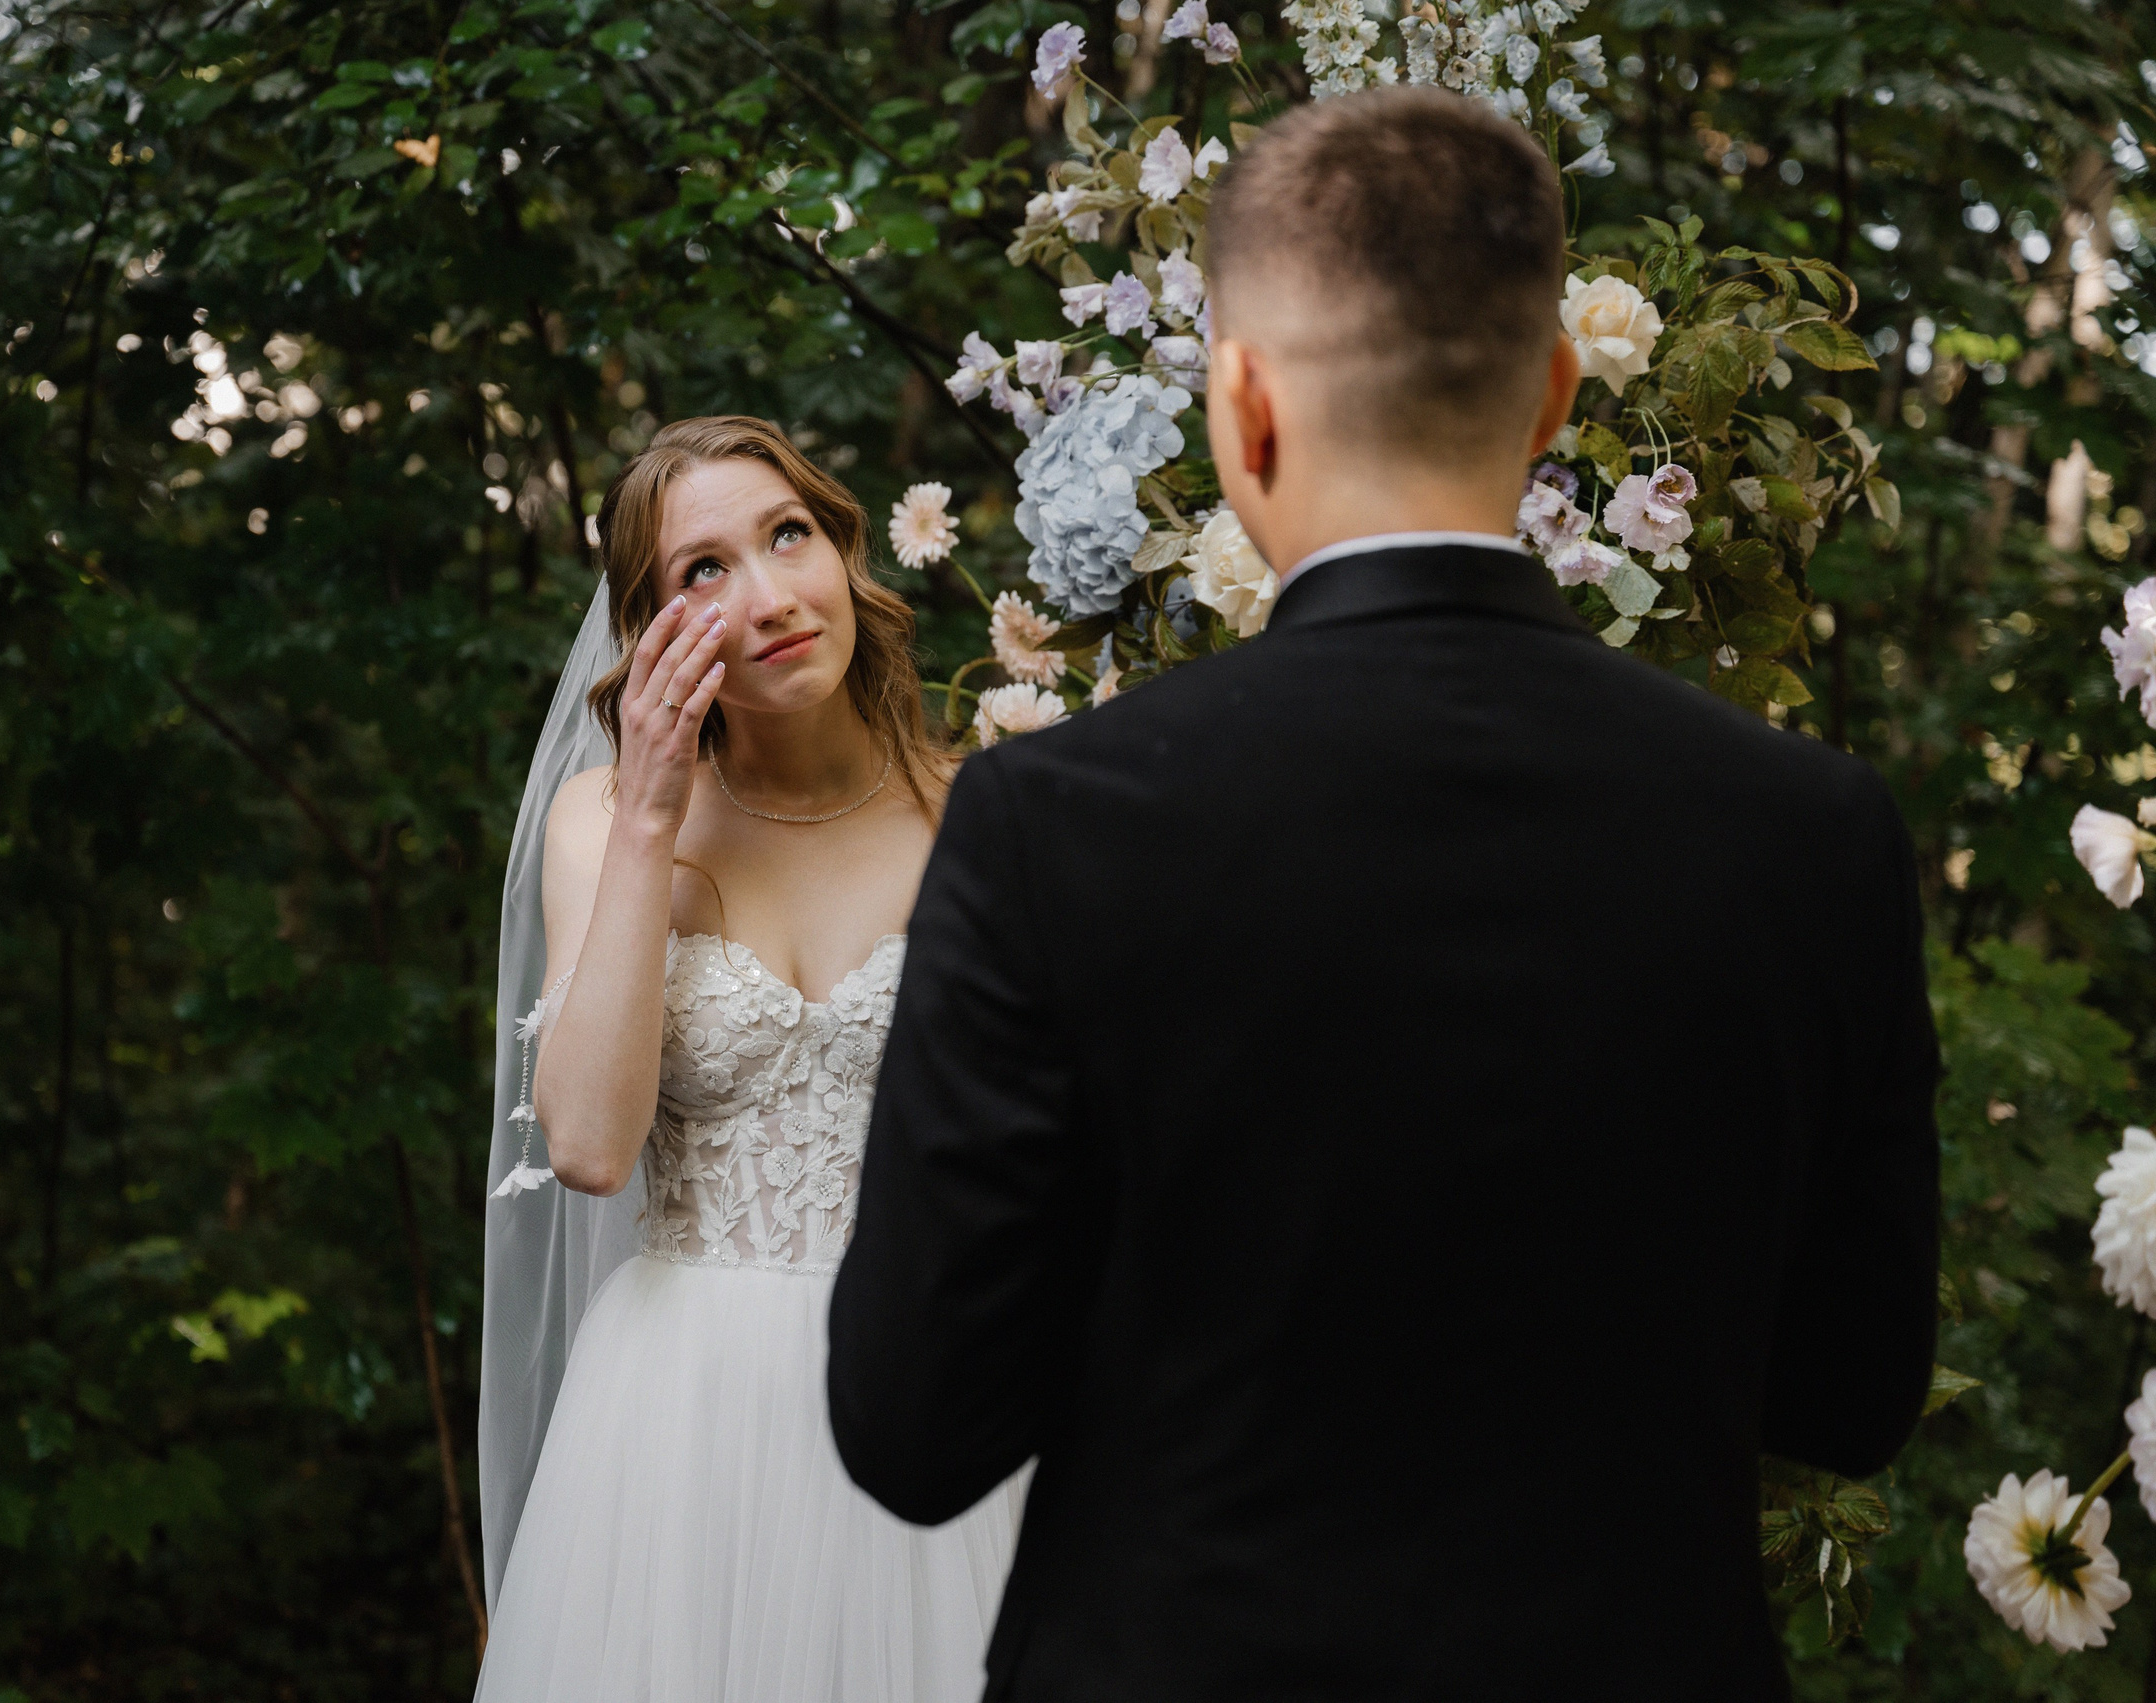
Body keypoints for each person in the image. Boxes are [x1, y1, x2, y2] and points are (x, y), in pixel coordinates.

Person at [827, 86, 1940, 1702]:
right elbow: (1851, 1393)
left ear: (1243, 404)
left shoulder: (1053, 822)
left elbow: (915, 1425)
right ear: (1554, 392)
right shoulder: (1812, 833)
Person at [474, 416, 1025, 1702]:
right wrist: (651, 817)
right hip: (683, 1419)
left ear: (844, 548)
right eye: (704, 569)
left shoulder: (984, 811)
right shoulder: (602, 822)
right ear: (649, 628)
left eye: (788, 535)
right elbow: (588, 1146)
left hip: (931, 1381)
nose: (769, 596)